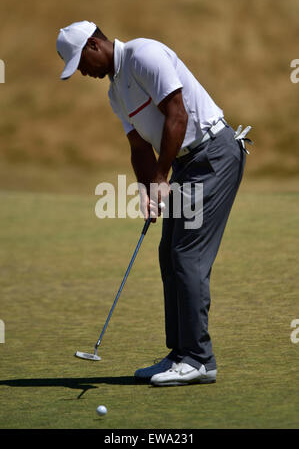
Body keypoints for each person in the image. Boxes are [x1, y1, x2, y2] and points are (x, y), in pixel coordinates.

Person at [56, 21, 252, 386]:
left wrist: (162, 178)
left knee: (186, 255)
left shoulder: (144, 54)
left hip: (213, 156)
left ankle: (198, 359)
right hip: (186, 164)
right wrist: (149, 190)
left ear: (94, 45)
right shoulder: (116, 93)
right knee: (169, 253)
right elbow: (139, 148)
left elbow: (178, 115)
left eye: (81, 63)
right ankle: (181, 354)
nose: (83, 72)